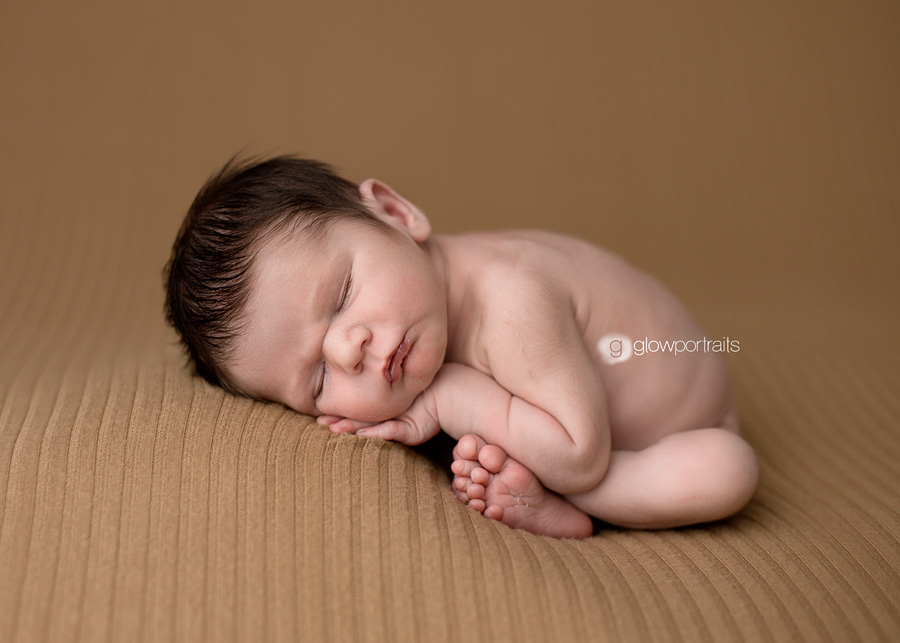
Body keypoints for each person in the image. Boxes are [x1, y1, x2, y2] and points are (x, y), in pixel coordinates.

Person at [165, 155, 759, 539]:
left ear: (397, 214)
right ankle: (547, 494)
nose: (350, 350)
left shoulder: (511, 299)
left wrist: (453, 396)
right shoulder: (423, 311)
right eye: (318, 379)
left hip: (681, 426)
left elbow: (583, 454)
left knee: (727, 472)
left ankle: (578, 510)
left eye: (343, 293)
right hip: (573, 420)